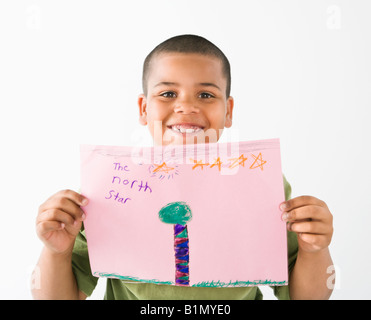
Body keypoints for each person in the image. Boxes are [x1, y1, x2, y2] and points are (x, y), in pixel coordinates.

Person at [32, 34, 334, 300]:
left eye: (206, 94)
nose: (186, 107)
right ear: (143, 108)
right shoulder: (107, 186)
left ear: (228, 111)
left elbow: (306, 297)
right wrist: (56, 252)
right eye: (167, 94)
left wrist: (314, 250)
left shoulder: (263, 183)